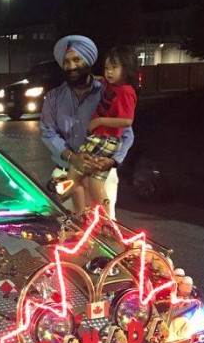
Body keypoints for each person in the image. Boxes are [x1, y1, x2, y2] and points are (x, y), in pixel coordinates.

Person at [41, 35, 135, 219]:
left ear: (88, 61)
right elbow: (48, 133)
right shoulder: (53, 98)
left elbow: (127, 134)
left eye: (77, 59)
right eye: (66, 61)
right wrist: (72, 157)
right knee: (65, 230)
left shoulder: (108, 92)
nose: (71, 66)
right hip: (66, 172)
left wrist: (113, 161)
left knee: (105, 229)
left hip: (100, 175)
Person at [68, 46, 138, 213]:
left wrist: (99, 121)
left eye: (114, 67)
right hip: (107, 141)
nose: (109, 72)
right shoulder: (111, 85)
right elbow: (99, 80)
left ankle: (81, 215)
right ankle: (107, 221)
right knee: (96, 184)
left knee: (71, 180)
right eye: (106, 68)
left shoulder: (125, 91)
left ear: (126, 68)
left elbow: (127, 122)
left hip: (103, 139)